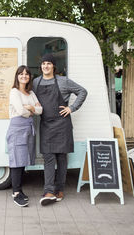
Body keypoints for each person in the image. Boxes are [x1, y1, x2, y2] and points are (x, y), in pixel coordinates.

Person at [33, 53, 87, 206]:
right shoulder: (36, 82)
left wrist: (72, 108)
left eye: (49, 64)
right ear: (41, 66)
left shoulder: (63, 81)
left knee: (61, 159)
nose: (46, 66)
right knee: (48, 158)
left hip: (62, 125)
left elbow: (83, 92)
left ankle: (60, 189)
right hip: (46, 125)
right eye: (44, 64)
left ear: (54, 66)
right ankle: (49, 190)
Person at [6, 65, 43, 207]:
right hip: (17, 129)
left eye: (27, 74)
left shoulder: (31, 93)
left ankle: (19, 190)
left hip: (27, 128)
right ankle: (16, 193)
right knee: (17, 161)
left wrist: (32, 108)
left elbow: (41, 110)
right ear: (17, 76)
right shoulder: (14, 92)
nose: (24, 76)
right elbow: (20, 111)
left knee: (22, 161)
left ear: (29, 77)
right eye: (21, 74)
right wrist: (31, 110)